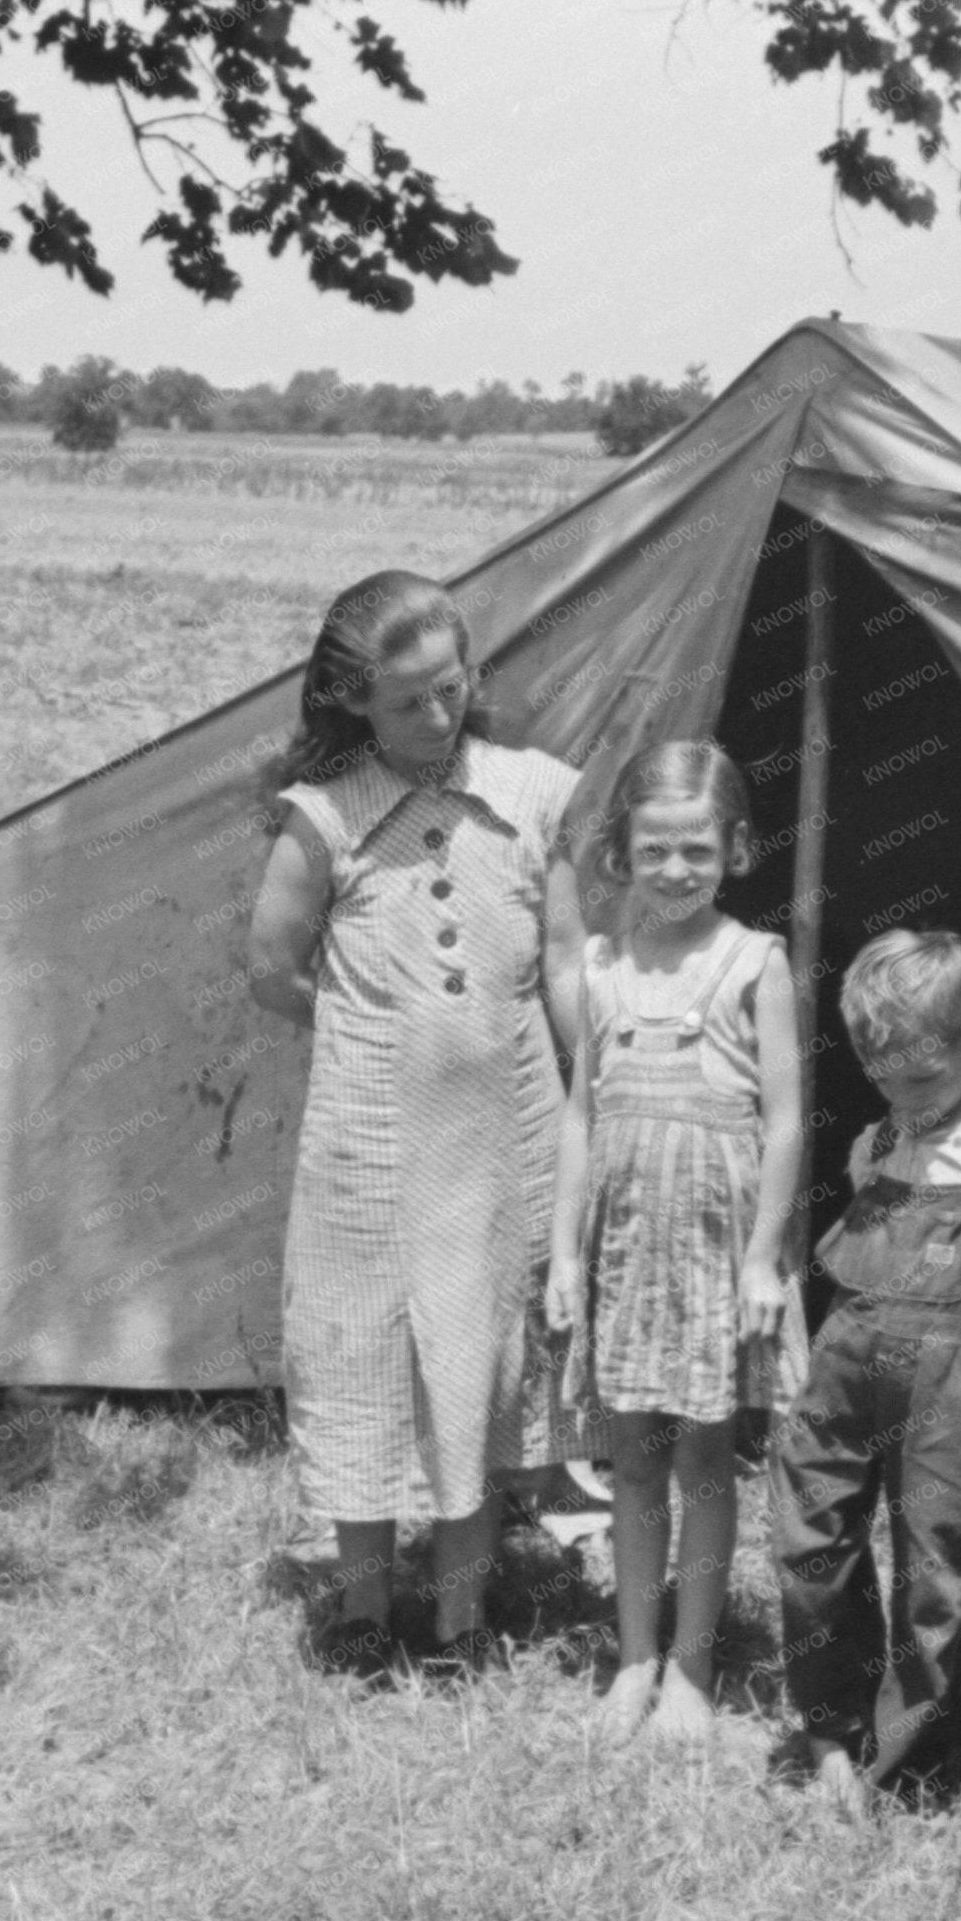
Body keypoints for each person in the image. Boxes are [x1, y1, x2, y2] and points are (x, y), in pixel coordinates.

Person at [246, 570, 588, 1679]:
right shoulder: (322, 816)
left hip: (506, 1133)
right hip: (369, 1144)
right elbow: (270, 968)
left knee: (479, 1349)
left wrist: (594, 1080)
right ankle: (360, 1606)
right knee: (362, 1348)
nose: (438, 715)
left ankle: (461, 1614)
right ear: (354, 702)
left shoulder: (534, 794)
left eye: (452, 687)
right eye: (407, 702)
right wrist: (372, 1033)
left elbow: (564, 962)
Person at [543, 740, 806, 1747]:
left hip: (710, 1248)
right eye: (653, 850)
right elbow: (580, 1116)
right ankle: (634, 1655)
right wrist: (566, 1252)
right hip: (624, 1252)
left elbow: (784, 1121)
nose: (674, 870)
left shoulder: (753, 961)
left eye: (696, 849)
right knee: (633, 1461)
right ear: (622, 851)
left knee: (703, 1459)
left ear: (733, 848)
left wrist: (761, 1259)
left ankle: (693, 1665)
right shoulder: (602, 967)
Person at [769, 928, 961, 1821]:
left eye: (924, 1078)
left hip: (946, 1390)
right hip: (844, 1370)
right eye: (881, 1077)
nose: (904, 1097)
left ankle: (905, 1766)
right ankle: (830, 1724)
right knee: (809, 1540)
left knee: (935, 1568)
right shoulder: (874, 1141)